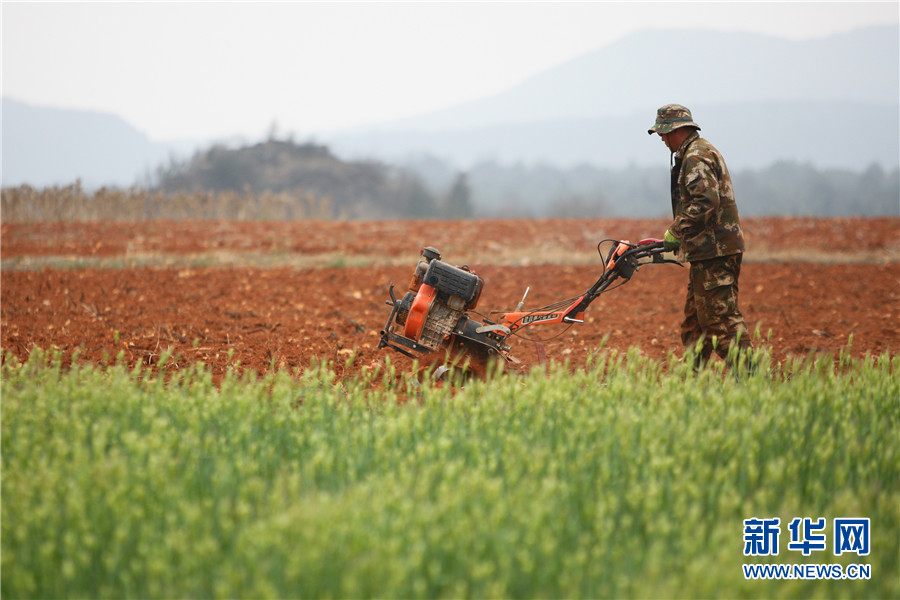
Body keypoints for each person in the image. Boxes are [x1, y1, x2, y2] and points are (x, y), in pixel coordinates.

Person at [648, 104, 751, 369]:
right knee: (695, 325)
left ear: (676, 130)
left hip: (716, 251)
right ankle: (695, 384)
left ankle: (753, 381)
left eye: (662, 132)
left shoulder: (696, 156)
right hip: (707, 251)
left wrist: (676, 230)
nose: (661, 138)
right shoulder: (696, 152)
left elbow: (706, 201)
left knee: (721, 322)